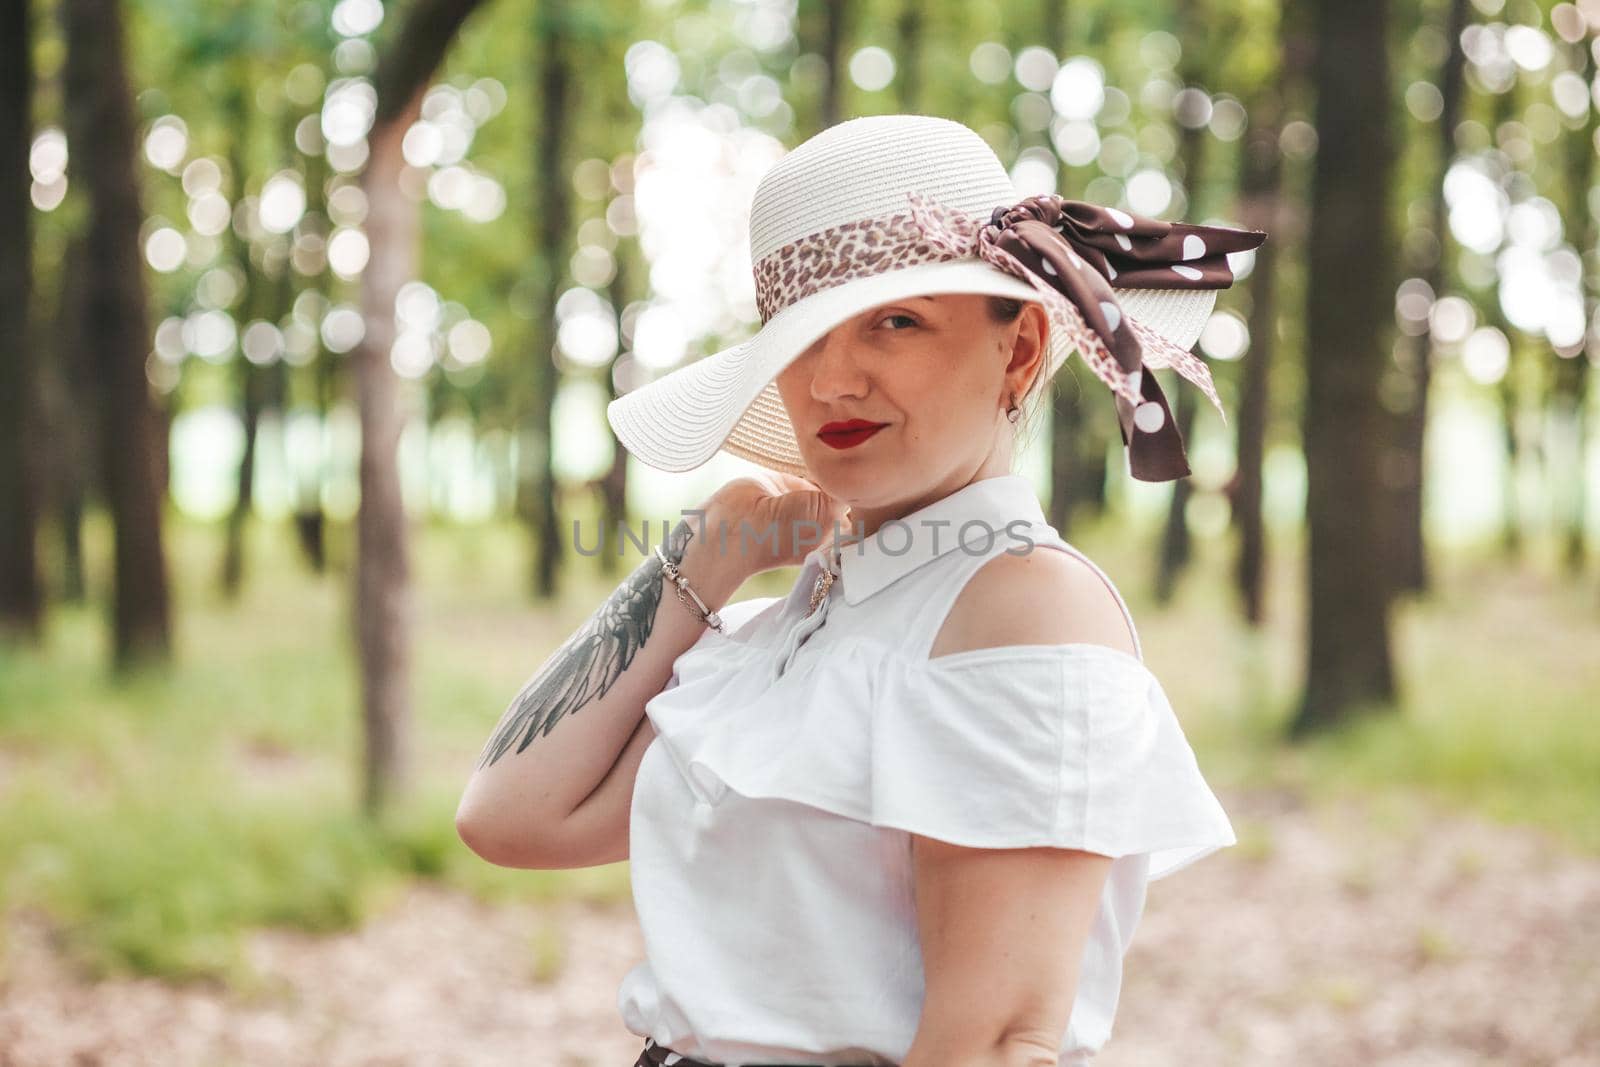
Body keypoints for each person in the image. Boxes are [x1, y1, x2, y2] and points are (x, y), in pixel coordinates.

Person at [456, 113, 1267, 1067]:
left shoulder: (1020, 605)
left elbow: (997, 1042)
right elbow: (509, 814)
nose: (833, 380)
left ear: (1016, 352)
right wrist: (708, 552)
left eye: (897, 321)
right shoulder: (801, 620)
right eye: (802, 339)